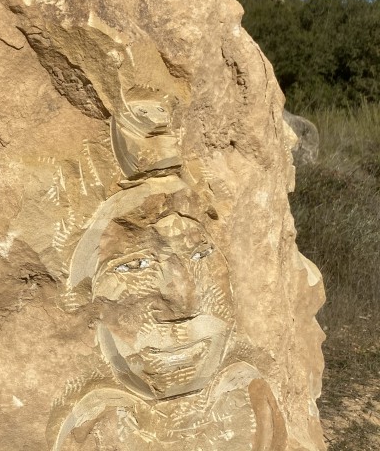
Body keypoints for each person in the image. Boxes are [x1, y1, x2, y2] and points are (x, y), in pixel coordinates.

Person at [50, 179, 286, 450]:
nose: (182, 305)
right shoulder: (92, 428)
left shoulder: (254, 408)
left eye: (201, 255)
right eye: (136, 265)